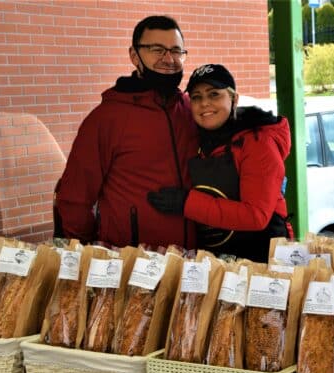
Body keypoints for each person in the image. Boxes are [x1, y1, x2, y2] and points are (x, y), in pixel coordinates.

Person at [55, 15, 198, 249]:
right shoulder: (106, 119)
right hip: (130, 265)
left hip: (192, 262)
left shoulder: (190, 110)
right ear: (134, 56)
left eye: (176, 51)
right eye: (157, 49)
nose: (169, 59)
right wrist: (91, 254)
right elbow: (74, 199)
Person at [147, 64, 291, 262]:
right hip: (215, 262)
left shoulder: (258, 142)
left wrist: (186, 202)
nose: (204, 103)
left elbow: (256, 215)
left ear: (234, 98)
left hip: (261, 260)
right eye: (196, 97)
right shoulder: (198, 143)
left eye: (214, 94)